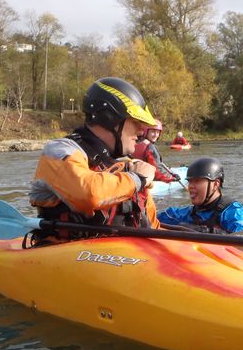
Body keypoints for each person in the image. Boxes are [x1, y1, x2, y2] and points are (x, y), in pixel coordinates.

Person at [29, 77, 160, 241]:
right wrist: (137, 179)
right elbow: (88, 194)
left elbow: (153, 226)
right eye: (135, 123)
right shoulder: (59, 151)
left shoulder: (127, 165)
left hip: (123, 252)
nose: (141, 131)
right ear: (109, 118)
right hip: (65, 253)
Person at [158, 157, 243, 234]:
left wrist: (206, 231)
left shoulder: (234, 213)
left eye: (197, 181)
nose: (191, 186)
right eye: (190, 182)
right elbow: (153, 219)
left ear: (215, 184)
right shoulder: (185, 214)